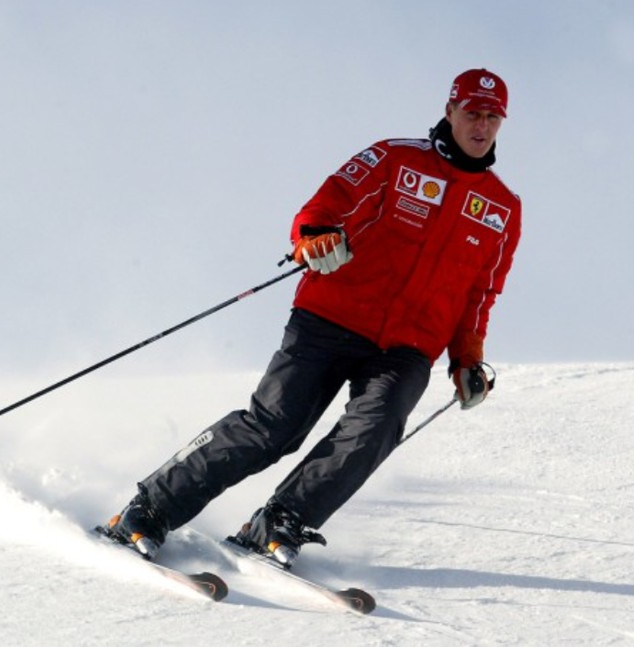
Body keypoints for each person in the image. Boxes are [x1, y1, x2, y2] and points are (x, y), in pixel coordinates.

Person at [104, 68, 522, 568]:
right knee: (275, 427)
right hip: (331, 317)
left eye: (492, 117)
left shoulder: (503, 207)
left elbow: (481, 292)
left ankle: (279, 523)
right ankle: (149, 508)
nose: (481, 125)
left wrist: (468, 357)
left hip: (408, 347)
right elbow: (333, 198)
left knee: (375, 429)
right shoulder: (396, 157)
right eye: (472, 113)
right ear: (450, 110)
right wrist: (315, 232)